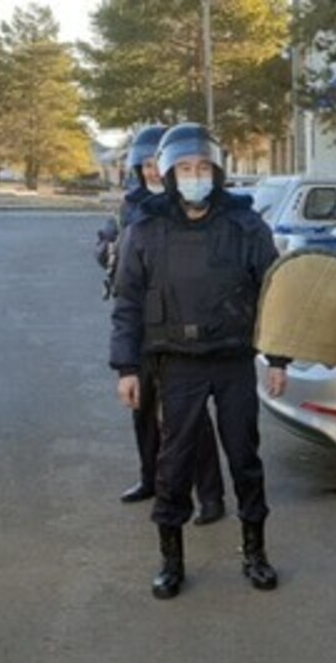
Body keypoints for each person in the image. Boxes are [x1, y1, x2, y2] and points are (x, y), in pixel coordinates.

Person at [109, 122, 286, 599]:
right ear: (168, 174)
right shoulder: (145, 229)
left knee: (244, 458)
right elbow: (127, 303)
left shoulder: (245, 226)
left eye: (203, 167)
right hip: (177, 364)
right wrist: (126, 368)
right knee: (173, 462)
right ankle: (171, 561)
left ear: (218, 172)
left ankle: (255, 553)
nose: (194, 176)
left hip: (232, 361)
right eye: (185, 168)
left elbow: (274, 295)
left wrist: (279, 359)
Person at [96, 125, 226, 525]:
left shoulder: (188, 204)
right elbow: (112, 247)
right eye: (145, 164)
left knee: (191, 416)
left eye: (157, 163)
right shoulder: (131, 205)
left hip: (180, 326)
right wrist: (107, 250)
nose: (152, 171)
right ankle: (150, 478)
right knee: (143, 407)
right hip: (141, 322)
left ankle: (210, 495)